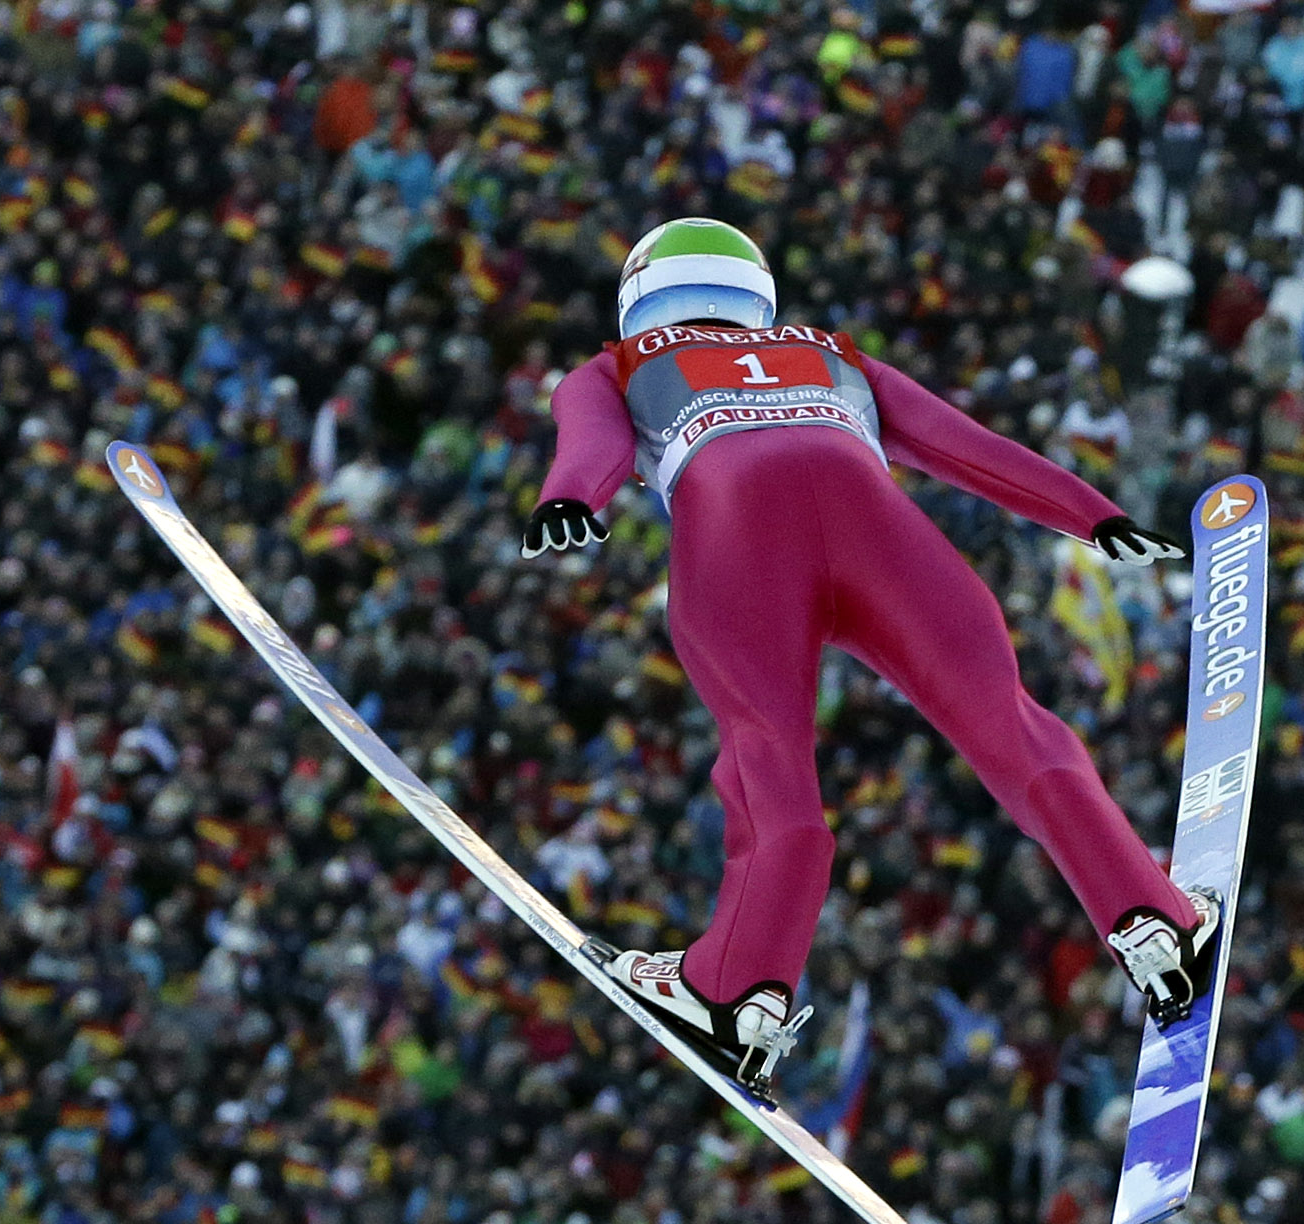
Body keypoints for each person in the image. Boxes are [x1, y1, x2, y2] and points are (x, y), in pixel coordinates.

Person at [522, 218, 1219, 1095]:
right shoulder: (830, 353)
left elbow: (592, 444)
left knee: (769, 759)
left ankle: (738, 991)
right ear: (757, 294)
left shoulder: (617, 365)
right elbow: (965, 446)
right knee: (1009, 726)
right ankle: (1154, 920)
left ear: (638, 298)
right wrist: (1092, 513)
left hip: (739, 545)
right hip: (881, 534)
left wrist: (569, 498)